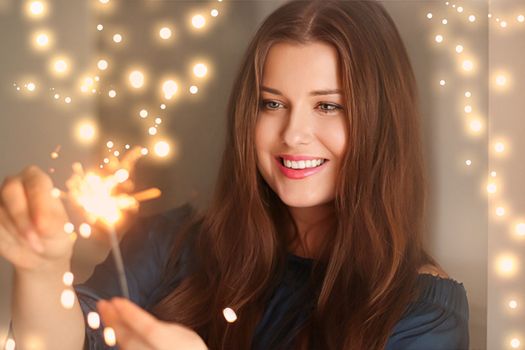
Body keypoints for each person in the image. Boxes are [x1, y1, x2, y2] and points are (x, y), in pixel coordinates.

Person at [0, 0, 469, 349]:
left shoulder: (421, 314)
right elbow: (71, 340)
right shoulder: (171, 244)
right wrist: (41, 271)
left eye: (328, 106)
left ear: (382, 123)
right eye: (272, 104)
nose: (293, 134)